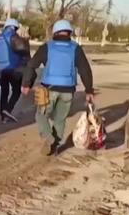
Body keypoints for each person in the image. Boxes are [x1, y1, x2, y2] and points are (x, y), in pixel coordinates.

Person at [21, 19, 94, 156]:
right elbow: (85, 70)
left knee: (40, 115)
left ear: (55, 32)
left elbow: (31, 65)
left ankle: (49, 139)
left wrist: (26, 84)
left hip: (49, 89)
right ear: (69, 33)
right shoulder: (75, 48)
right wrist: (89, 90)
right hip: (68, 91)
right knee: (60, 120)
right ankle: (55, 147)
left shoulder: (47, 47)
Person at [0, 18, 30, 123]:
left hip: (1, 69)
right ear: (15, 27)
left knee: (4, 91)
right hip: (14, 68)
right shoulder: (14, 37)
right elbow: (24, 51)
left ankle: (3, 114)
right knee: (16, 91)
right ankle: (7, 110)